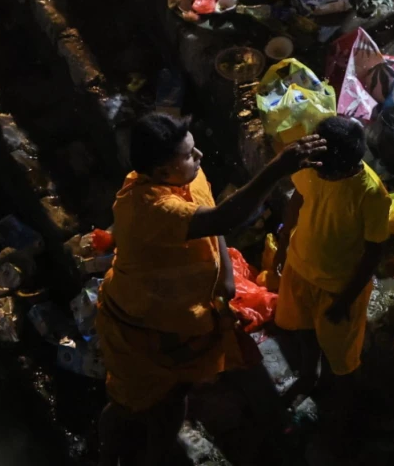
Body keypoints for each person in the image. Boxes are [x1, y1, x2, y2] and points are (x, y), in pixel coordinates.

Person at [96, 113, 326, 465]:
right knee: (130, 403)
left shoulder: (186, 175)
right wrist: (277, 168)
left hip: (184, 323)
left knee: (172, 397)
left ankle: (154, 449)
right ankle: (108, 457)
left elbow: (211, 212)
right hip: (141, 329)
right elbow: (222, 218)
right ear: (161, 173)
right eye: (189, 154)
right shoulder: (147, 208)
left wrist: (227, 279)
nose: (199, 156)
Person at [272, 117, 391, 448]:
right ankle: (309, 378)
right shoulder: (313, 166)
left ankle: (341, 418)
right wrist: (283, 247)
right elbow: (297, 199)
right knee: (304, 331)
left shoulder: (371, 195)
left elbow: (373, 253)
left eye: (326, 171)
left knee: (342, 363)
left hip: (338, 289)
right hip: (300, 271)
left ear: (349, 165)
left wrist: (346, 300)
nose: (319, 174)